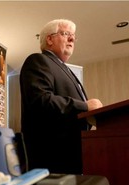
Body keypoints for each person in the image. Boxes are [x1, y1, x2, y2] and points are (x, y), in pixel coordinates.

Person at [19, 19, 103, 174]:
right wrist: (85, 106)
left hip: (72, 156)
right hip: (51, 159)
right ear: (49, 39)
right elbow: (41, 100)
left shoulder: (64, 68)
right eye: (66, 34)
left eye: (73, 36)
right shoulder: (38, 60)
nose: (72, 39)